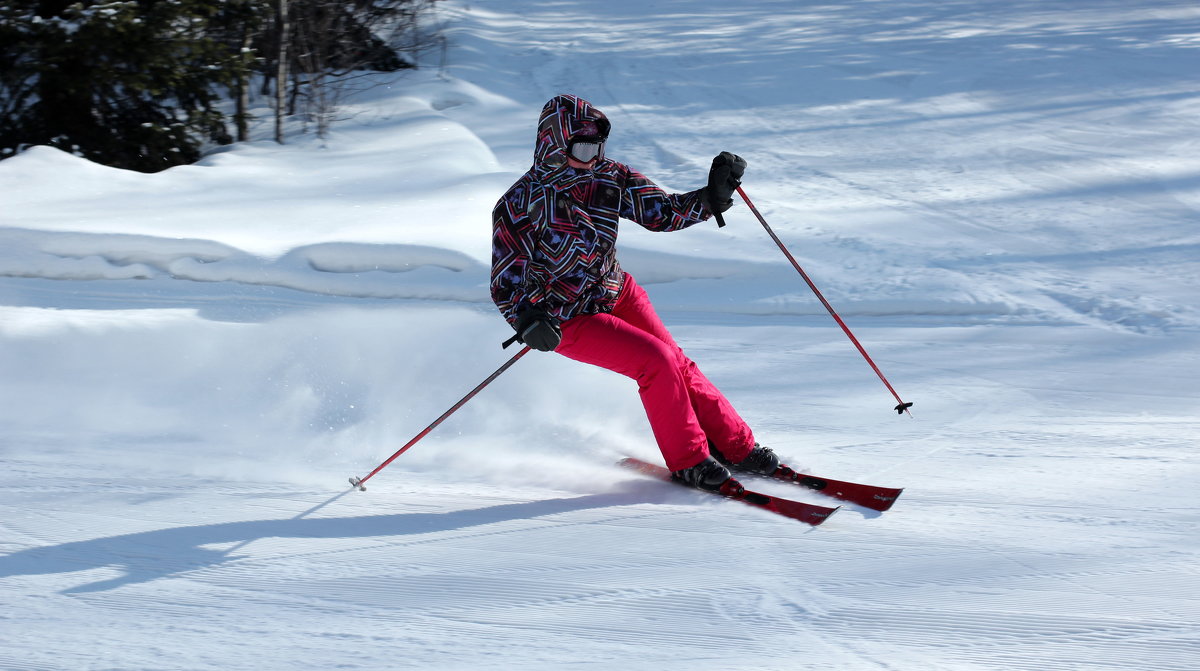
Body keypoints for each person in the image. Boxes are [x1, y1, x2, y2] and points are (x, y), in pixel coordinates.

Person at [490, 94, 790, 493]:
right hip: (565, 316)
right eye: (582, 147)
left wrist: (711, 196)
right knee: (657, 362)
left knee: (679, 364)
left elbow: (662, 213)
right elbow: (506, 279)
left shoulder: (611, 176)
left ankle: (734, 446)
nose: (593, 156)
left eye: (598, 147)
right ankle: (689, 461)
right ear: (554, 145)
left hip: (617, 291)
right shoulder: (519, 203)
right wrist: (527, 318)